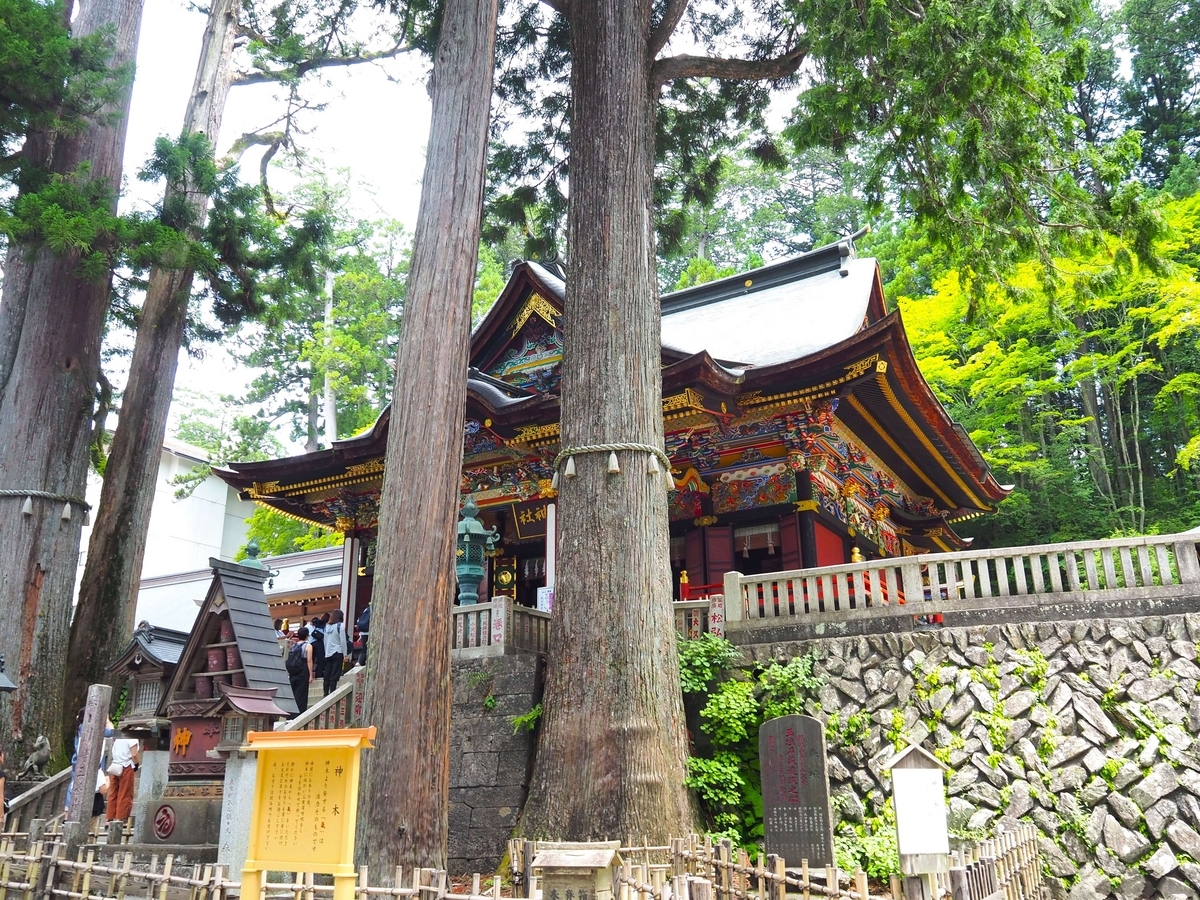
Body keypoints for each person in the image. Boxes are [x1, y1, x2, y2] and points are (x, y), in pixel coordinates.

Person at [106, 733, 140, 822]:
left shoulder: (118, 737)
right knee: (125, 793)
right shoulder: (132, 738)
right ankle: (120, 817)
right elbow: (134, 754)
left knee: (113, 792)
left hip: (115, 766)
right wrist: (136, 763)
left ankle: (110, 817)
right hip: (126, 766)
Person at [285, 626, 314, 713]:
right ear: (307, 635)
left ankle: (291, 712)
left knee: (293, 692)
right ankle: (299, 713)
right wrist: (311, 675)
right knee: (301, 693)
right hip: (303, 670)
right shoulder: (308, 646)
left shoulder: (293, 645)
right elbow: (309, 660)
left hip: (293, 671)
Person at [323, 610, 348, 696]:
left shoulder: (327, 627)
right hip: (338, 652)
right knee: (334, 675)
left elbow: (325, 641)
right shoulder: (340, 626)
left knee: (327, 674)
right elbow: (343, 641)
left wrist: (326, 651)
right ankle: (332, 693)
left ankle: (325, 693)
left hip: (328, 653)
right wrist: (345, 654)